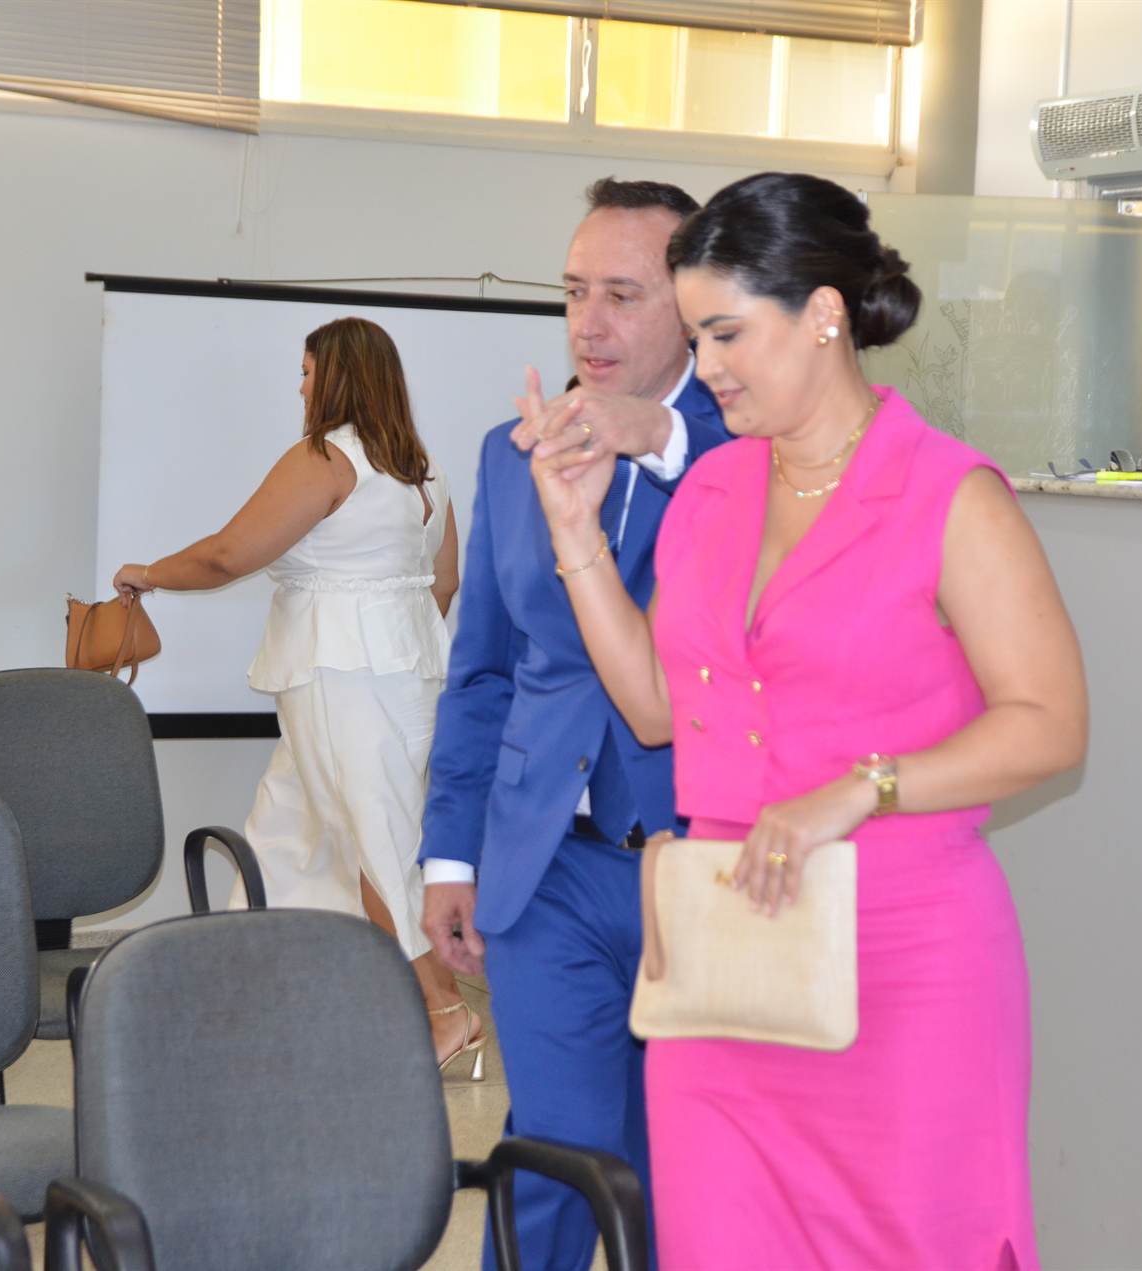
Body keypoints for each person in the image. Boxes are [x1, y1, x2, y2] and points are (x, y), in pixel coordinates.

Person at [526, 172, 1088, 1268]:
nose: (708, 366)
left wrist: (864, 786)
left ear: (824, 313)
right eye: (698, 336)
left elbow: (1051, 722)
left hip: (906, 968)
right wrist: (575, 532)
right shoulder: (713, 492)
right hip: (725, 969)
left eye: (728, 333)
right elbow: (655, 710)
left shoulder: (948, 493)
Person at [417, 177, 729, 1271]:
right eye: (573, 292)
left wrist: (663, 435)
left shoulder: (751, 449)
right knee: (562, 1148)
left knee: (682, 1173)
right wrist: (451, 852)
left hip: (702, 864)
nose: (588, 323)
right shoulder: (514, 453)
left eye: (622, 295)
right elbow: (482, 672)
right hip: (547, 864)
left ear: (693, 306)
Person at [112, 317, 480, 1071]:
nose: (301, 385)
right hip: (398, 678)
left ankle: (446, 1013)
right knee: (288, 834)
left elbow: (229, 554)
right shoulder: (425, 472)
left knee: (375, 845)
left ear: (337, 376)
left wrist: (146, 573)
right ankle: (280, 996)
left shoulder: (325, 458)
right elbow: (442, 583)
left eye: (308, 371)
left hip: (340, 680)